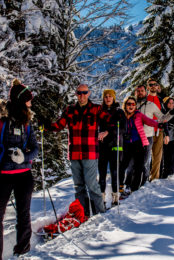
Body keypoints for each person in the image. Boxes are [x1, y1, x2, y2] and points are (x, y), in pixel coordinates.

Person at [40, 84, 110, 216]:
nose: (81, 95)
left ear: (88, 93)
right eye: (79, 93)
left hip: (90, 152)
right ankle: (81, 213)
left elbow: (110, 121)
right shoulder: (70, 110)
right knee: (78, 186)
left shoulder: (96, 109)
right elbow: (59, 125)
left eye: (84, 92)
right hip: (74, 153)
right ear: (76, 94)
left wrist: (107, 130)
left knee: (91, 184)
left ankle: (101, 212)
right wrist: (46, 125)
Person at [0, 79, 39, 259]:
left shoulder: (27, 122)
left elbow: (35, 148)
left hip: (24, 175)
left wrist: (25, 157)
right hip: (3, 175)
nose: (31, 102)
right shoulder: (2, 120)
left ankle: (22, 251)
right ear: (21, 100)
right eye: (28, 99)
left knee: (23, 215)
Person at [119, 96, 164, 194]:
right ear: (125, 105)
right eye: (129, 104)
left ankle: (134, 188)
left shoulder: (138, 115)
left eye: (133, 104)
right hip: (125, 145)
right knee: (123, 166)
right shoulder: (121, 115)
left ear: (135, 106)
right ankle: (121, 186)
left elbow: (149, 121)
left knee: (139, 167)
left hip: (138, 144)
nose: (131, 106)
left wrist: (158, 125)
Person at [135, 85, 171, 184]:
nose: (140, 93)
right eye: (138, 91)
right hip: (135, 137)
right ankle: (134, 182)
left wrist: (171, 113)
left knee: (149, 160)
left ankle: (147, 180)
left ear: (145, 92)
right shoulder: (131, 104)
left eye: (142, 91)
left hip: (150, 134)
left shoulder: (153, 104)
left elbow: (162, 117)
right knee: (136, 161)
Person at [98, 89, 126, 207]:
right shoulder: (100, 111)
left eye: (110, 96)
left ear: (114, 98)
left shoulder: (119, 112)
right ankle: (102, 199)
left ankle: (115, 198)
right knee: (102, 173)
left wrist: (108, 132)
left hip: (115, 145)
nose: (108, 98)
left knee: (115, 173)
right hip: (102, 146)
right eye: (106, 97)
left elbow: (123, 129)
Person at [146, 78, 167, 181]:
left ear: (157, 86)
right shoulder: (144, 99)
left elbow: (164, 117)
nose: (153, 86)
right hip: (146, 131)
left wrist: (166, 133)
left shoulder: (161, 100)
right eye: (151, 84)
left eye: (155, 84)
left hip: (159, 131)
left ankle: (154, 178)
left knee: (157, 157)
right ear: (148, 87)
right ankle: (143, 177)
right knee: (144, 156)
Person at [161, 97, 174, 178]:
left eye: (172, 103)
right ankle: (164, 175)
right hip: (163, 139)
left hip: (173, 139)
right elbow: (162, 121)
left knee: (173, 159)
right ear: (166, 104)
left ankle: (173, 174)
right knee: (165, 159)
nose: (171, 105)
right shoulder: (162, 113)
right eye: (169, 103)